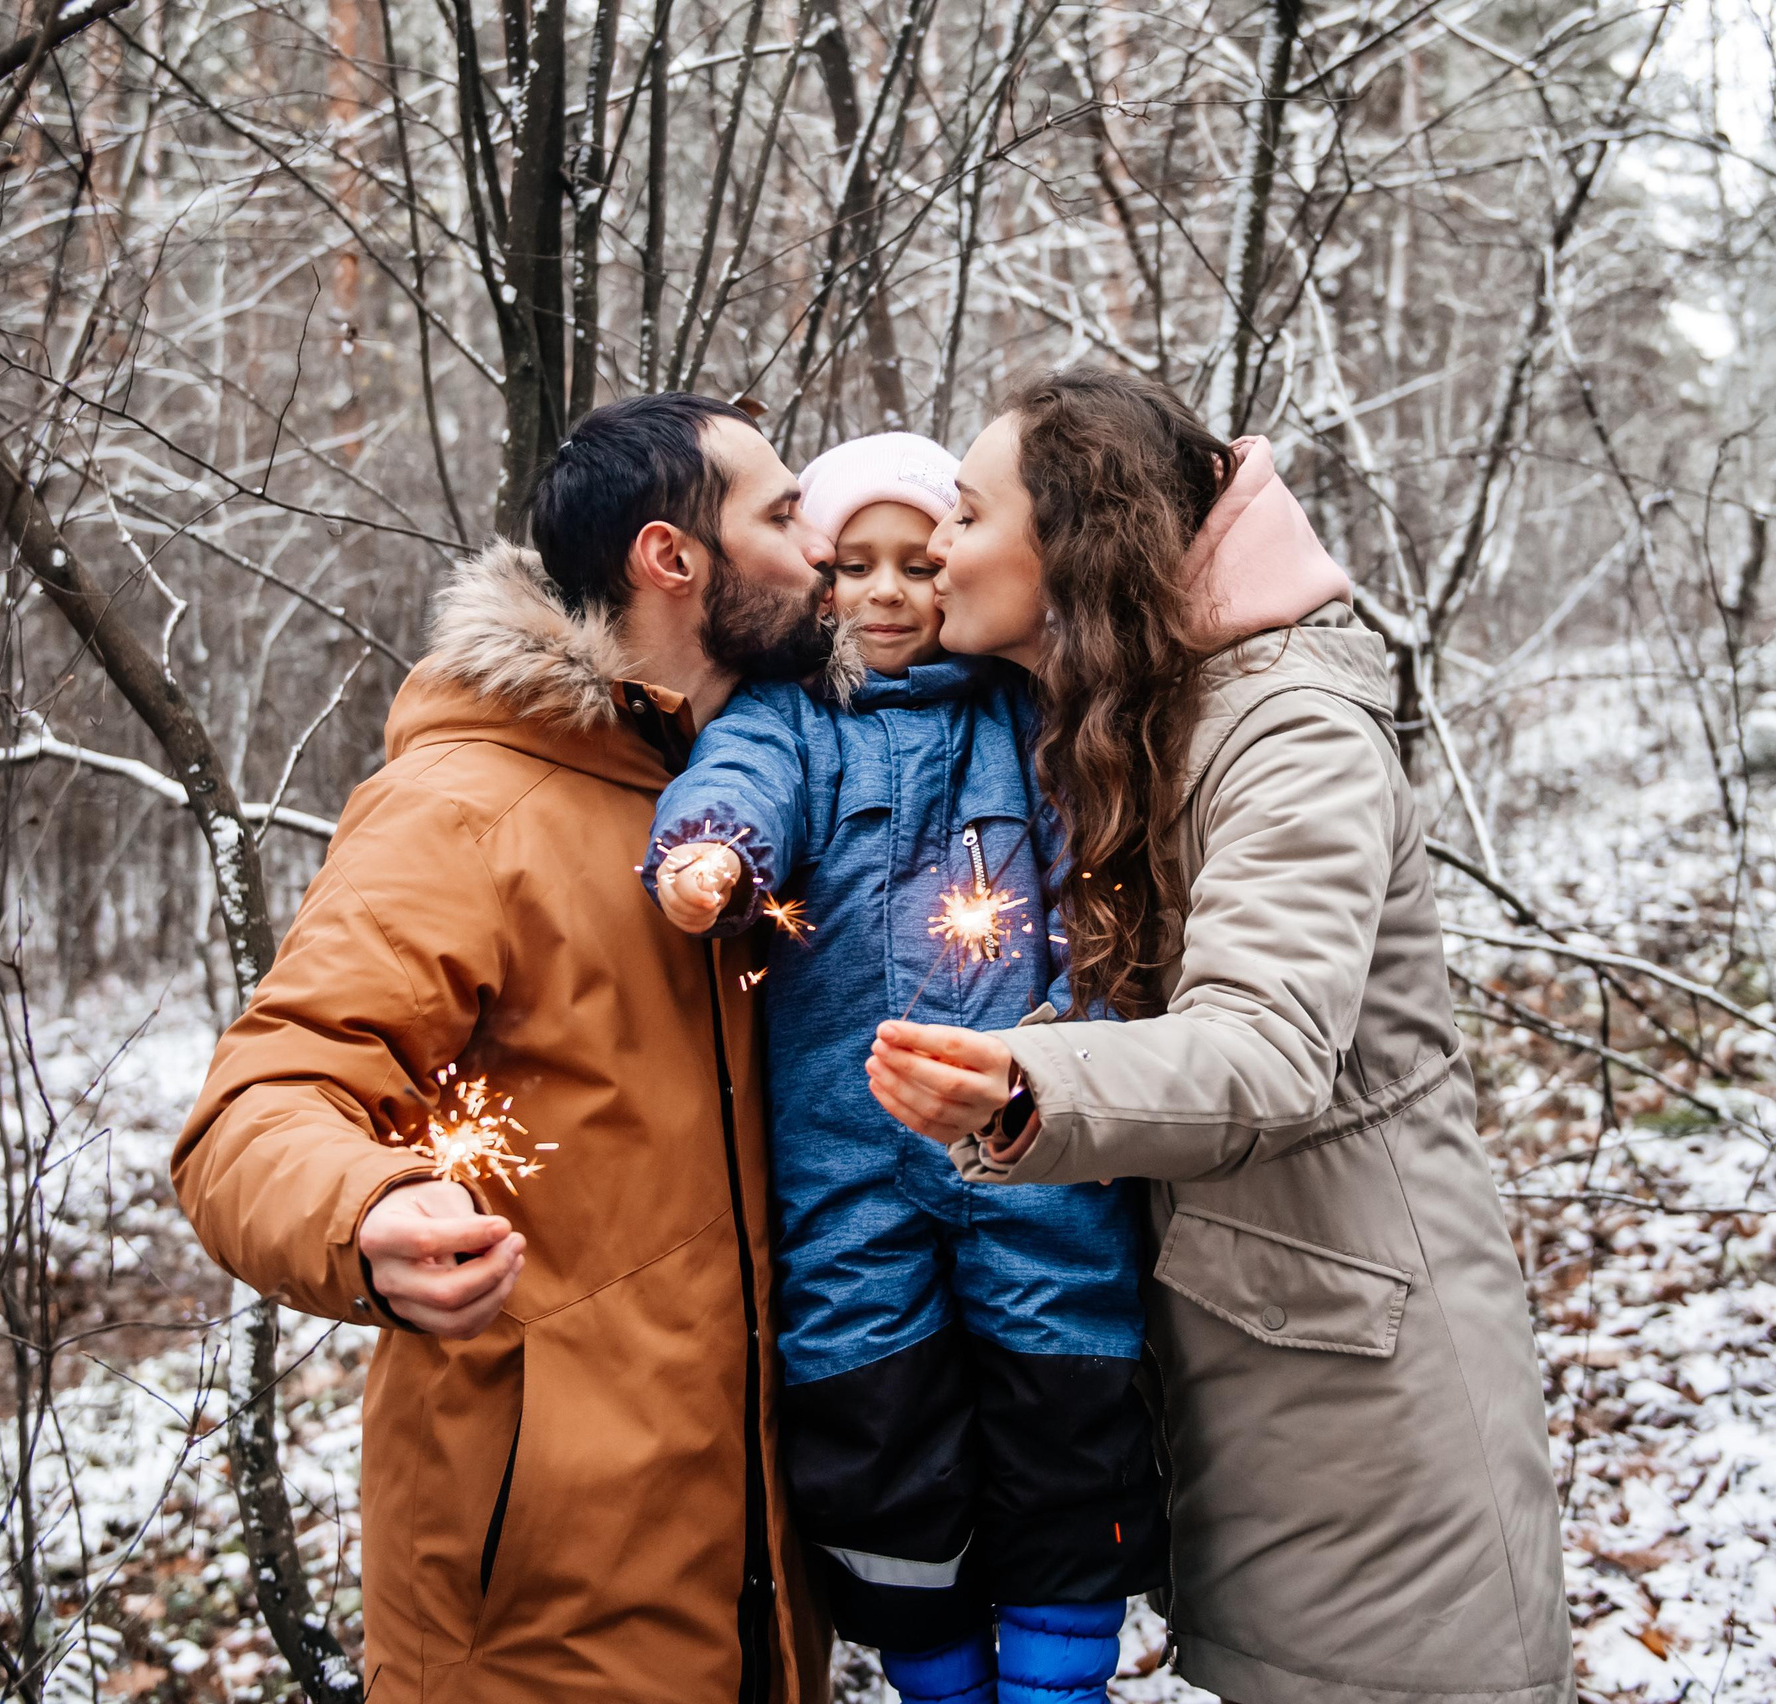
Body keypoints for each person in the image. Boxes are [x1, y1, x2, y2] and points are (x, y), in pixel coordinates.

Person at [867, 368, 1574, 1704]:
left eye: (965, 515)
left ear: (1075, 542)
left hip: (1370, 1393)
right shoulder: (1133, 710)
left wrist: (1024, 1082)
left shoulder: (1285, 727)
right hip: (1262, 1359)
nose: (937, 548)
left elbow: (1266, 1048)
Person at [172, 394, 840, 1703]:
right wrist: (367, 1209)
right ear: (674, 559)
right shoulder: (467, 811)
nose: (816, 540)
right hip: (537, 1604)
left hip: (753, 1571)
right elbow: (258, 1104)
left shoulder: (761, 799)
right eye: (781, 511)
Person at [648, 431, 1165, 1704]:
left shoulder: (1021, 718)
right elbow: (741, 778)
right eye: (852, 566)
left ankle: (1057, 1684)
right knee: (871, 1421)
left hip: (1021, 1137)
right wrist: (711, 851)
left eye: (917, 562)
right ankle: (938, 1680)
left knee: (1061, 1403)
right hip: (846, 1154)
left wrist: (1055, 1034)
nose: (886, 593)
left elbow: (1089, 875)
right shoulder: (789, 721)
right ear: (816, 583)